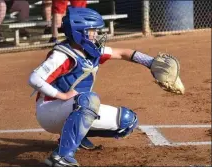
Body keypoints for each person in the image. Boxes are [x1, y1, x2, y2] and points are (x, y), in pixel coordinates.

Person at [28, 7, 184, 167]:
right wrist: (62, 96)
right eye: (92, 30)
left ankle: (74, 138)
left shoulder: (90, 50)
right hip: (50, 110)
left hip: (72, 108)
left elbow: (124, 53)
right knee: (89, 100)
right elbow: (34, 78)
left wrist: (150, 62)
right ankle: (61, 157)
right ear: (79, 32)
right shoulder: (62, 55)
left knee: (127, 121)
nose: (96, 34)